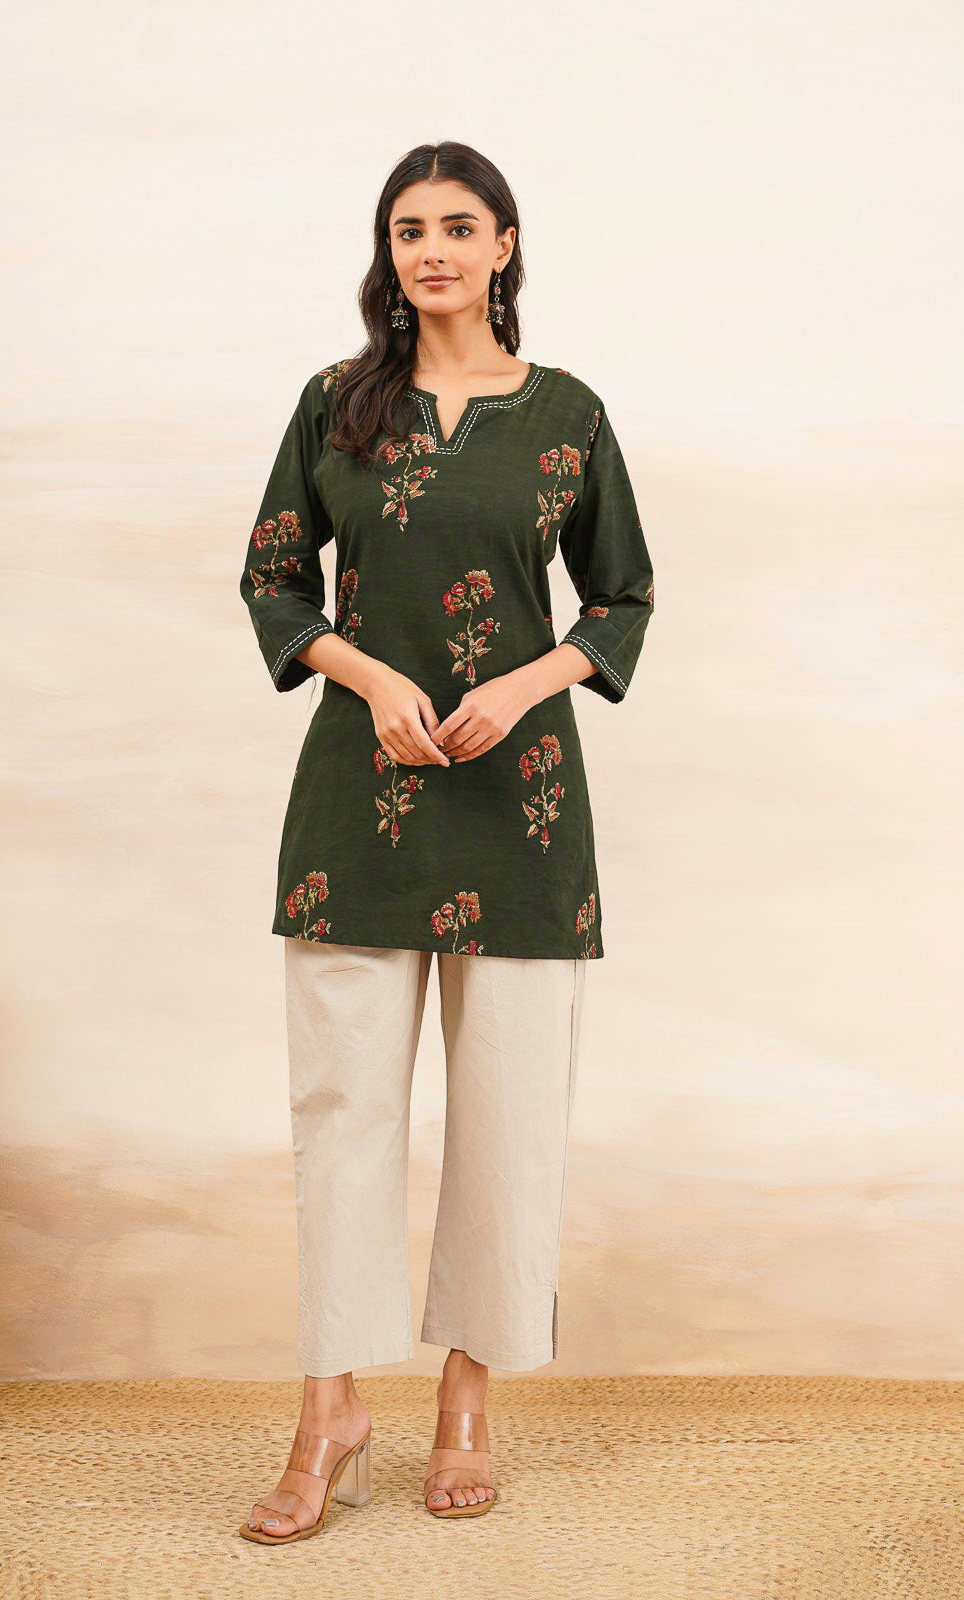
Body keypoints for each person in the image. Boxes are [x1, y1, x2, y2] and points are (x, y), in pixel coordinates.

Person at [237, 140, 654, 1545]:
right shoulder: (335, 404)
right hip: (359, 799)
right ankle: (329, 1408)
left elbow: (621, 600)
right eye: (409, 228)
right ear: (390, 251)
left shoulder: (567, 414)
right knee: (341, 1109)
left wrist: (521, 688)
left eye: (458, 226)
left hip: (520, 801)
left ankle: (467, 1398)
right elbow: (275, 579)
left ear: (504, 245)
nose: (432, 250)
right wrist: (369, 680)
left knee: (509, 1109)